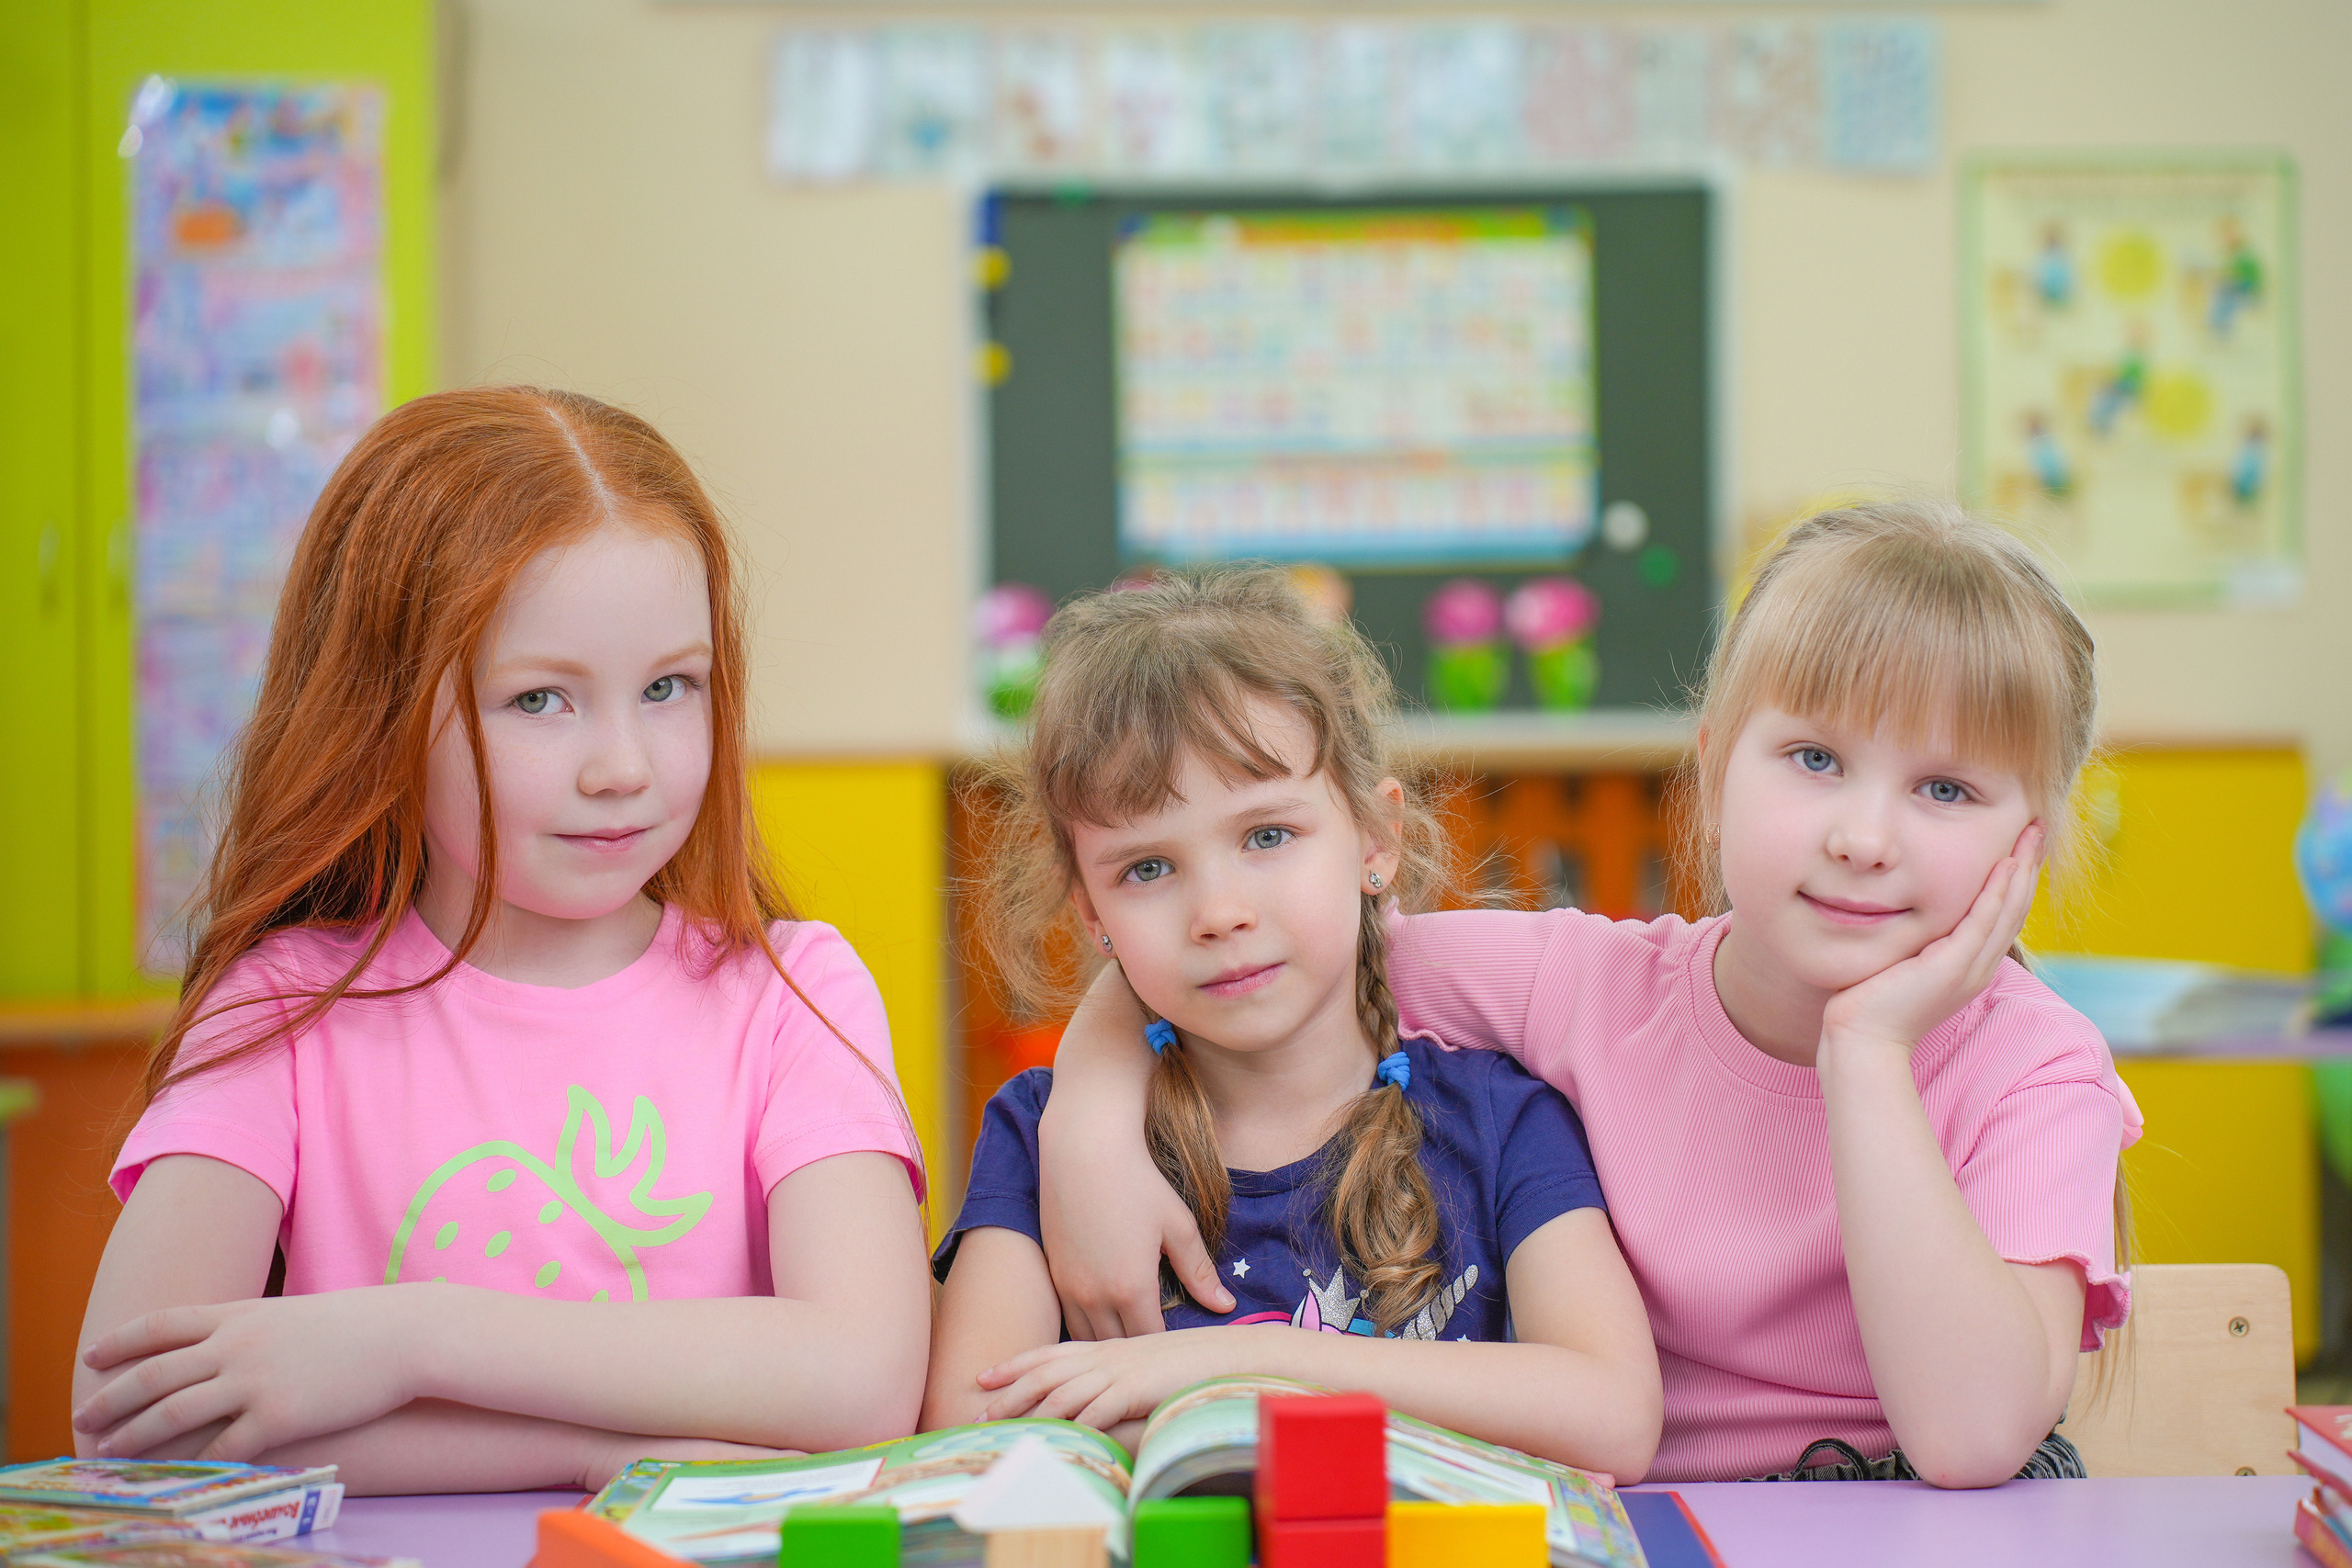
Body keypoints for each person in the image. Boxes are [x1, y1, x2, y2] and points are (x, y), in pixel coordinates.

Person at [1036, 501, 2141, 1488]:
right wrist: (1086, 1122)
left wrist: (1867, 1052)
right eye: (1812, 760)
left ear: (2030, 842)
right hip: (1633, 1518)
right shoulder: (1586, 987)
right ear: (1713, 768)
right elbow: (1283, 960)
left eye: (1944, 789)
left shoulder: (2035, 1068)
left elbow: (1970, 1442)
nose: (1862, 838)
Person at [73, 388, 932, 1493]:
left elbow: (862, 1381)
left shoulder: (792, 991)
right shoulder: (283, 1007)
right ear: (376, 710)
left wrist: (408, 1342)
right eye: (538, 702)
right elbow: (130, 1418)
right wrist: (599, 1453)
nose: (621, 764)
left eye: (669, 687)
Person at [923, 570, 1662, 1481]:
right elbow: (968, 1433)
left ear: (1374, 841)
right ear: (1089, 912)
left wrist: (1243, 1363)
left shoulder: (1500, 1118)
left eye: (1267, 835)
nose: (1218, 911)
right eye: (1147, 869)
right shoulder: (1041, 1137)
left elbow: (1613, 1416)